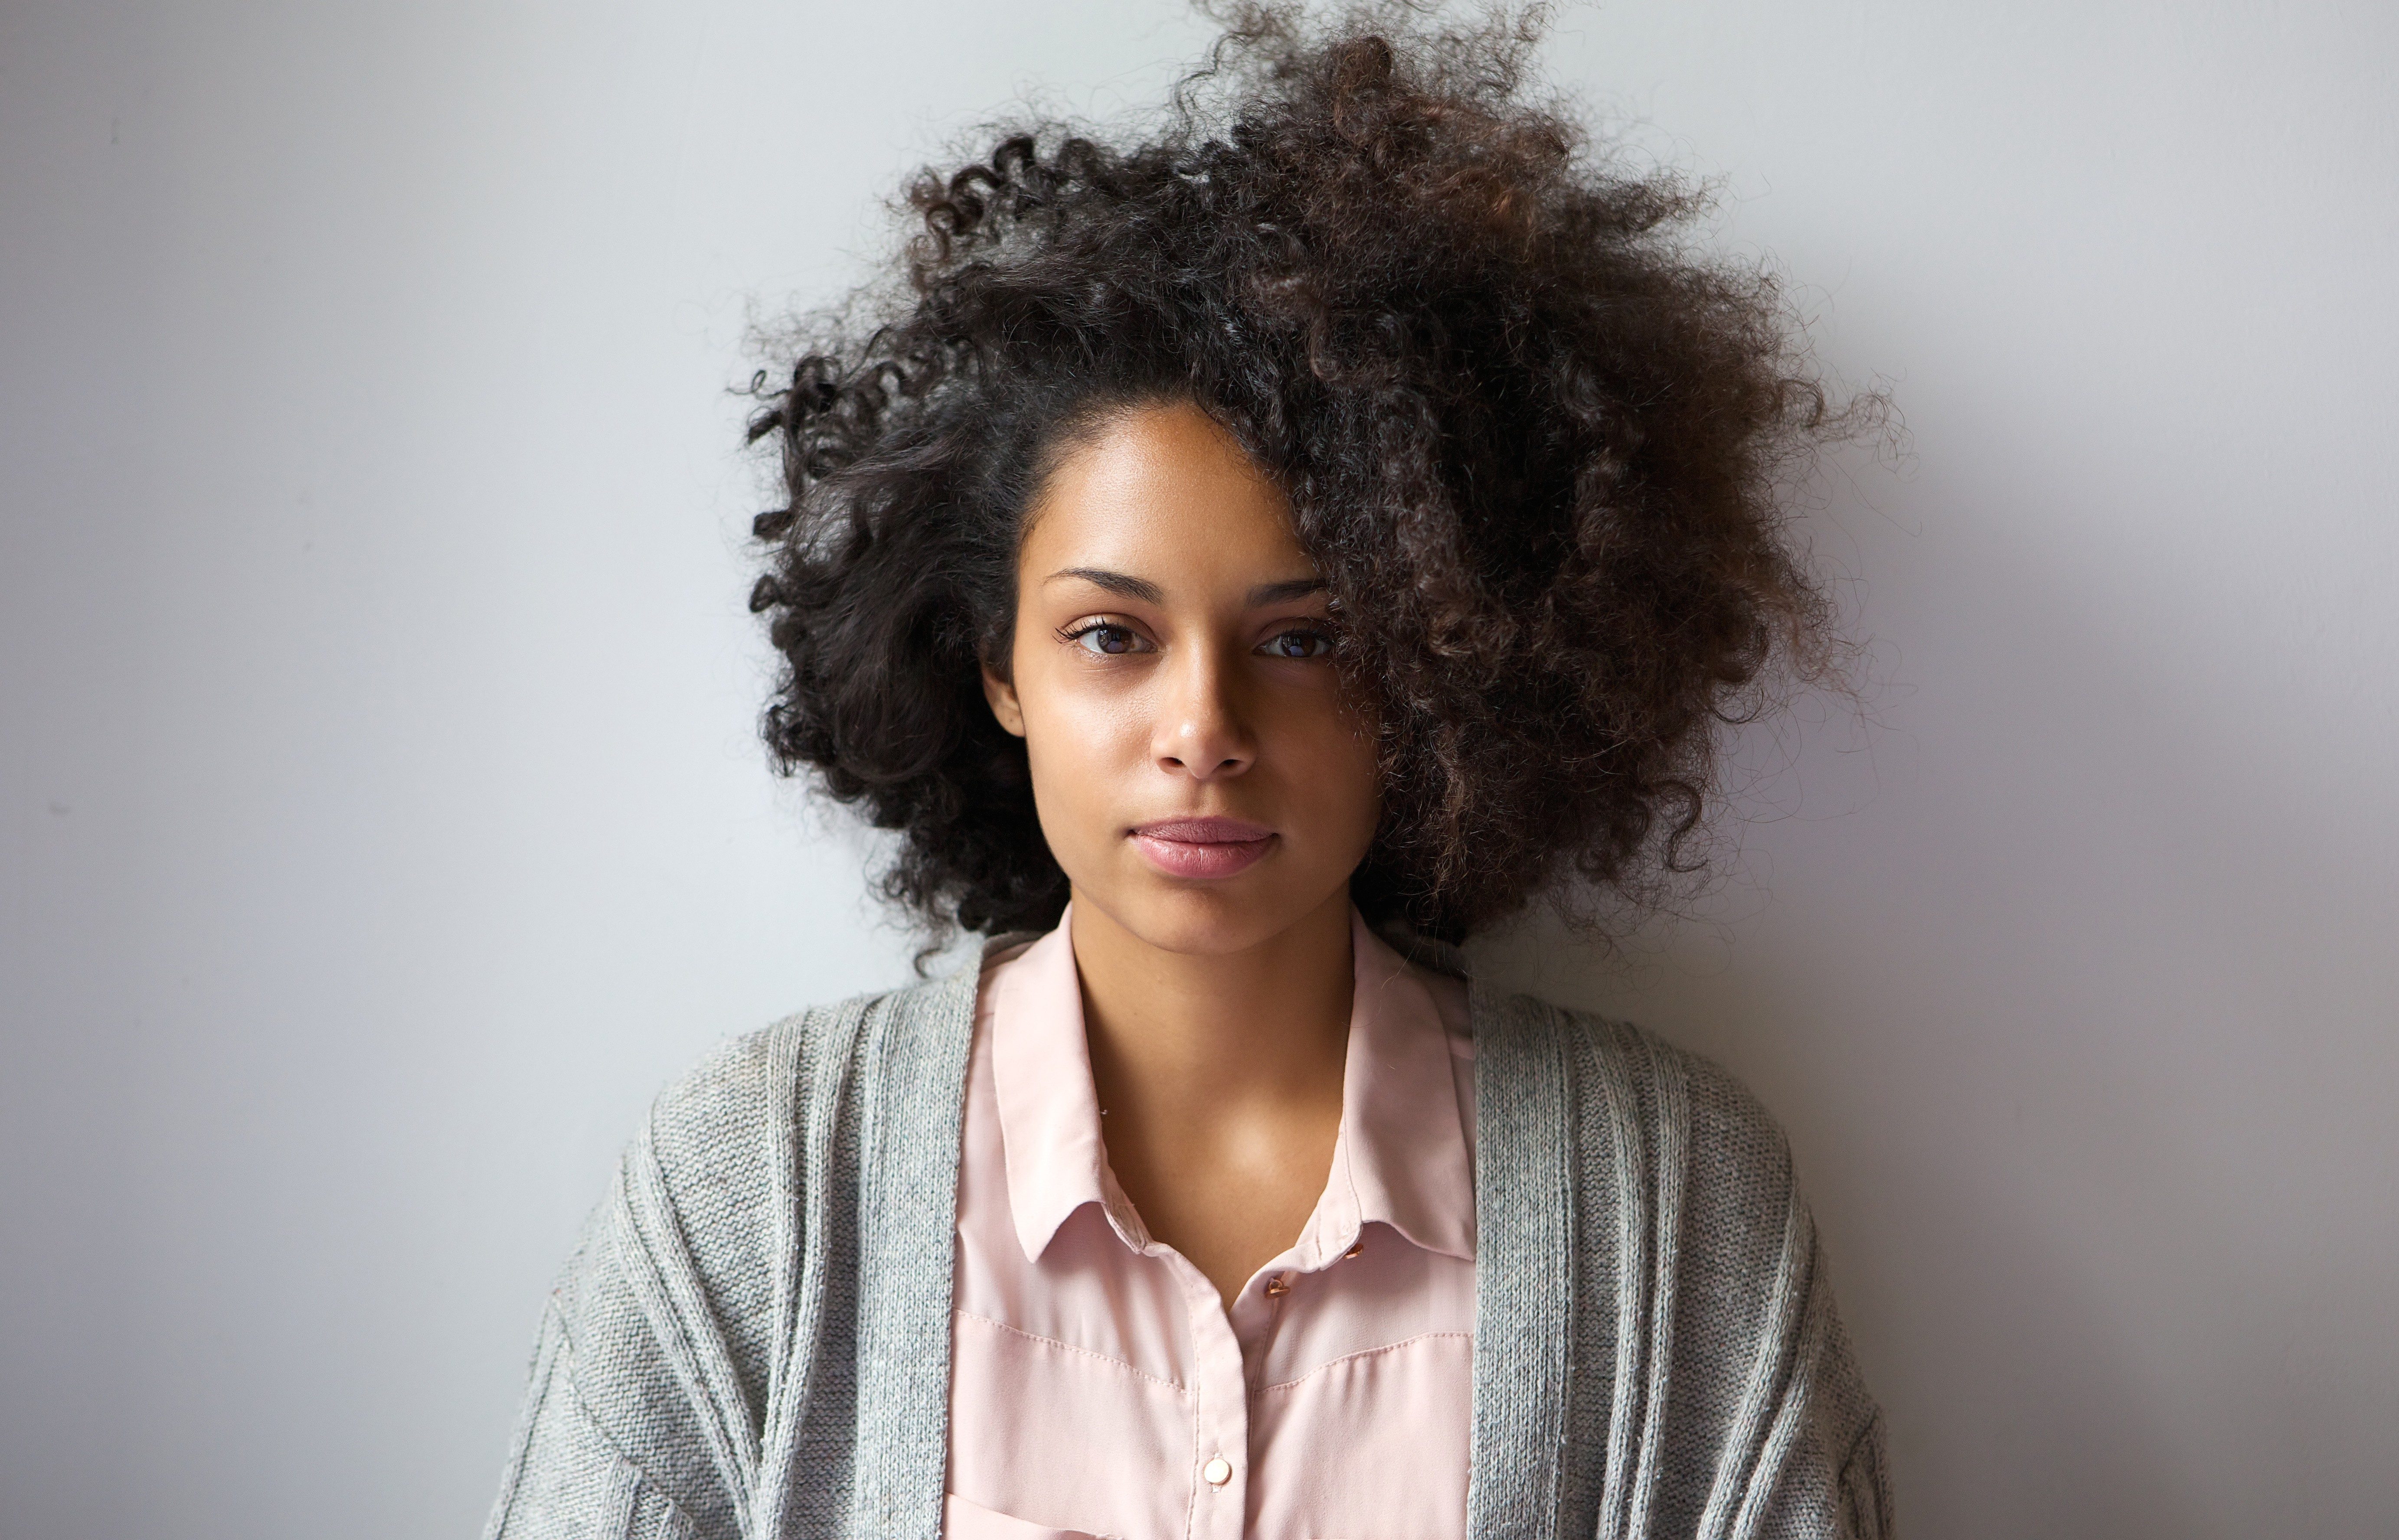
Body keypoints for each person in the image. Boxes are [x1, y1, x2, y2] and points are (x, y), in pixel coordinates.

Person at [481, 7, 1891, 1538]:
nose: (1202, 726)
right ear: (994, 670)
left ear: (1442, 671)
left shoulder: (1672, 1209)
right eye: (1109, 635)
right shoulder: (746, 1198)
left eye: (1305, 643)